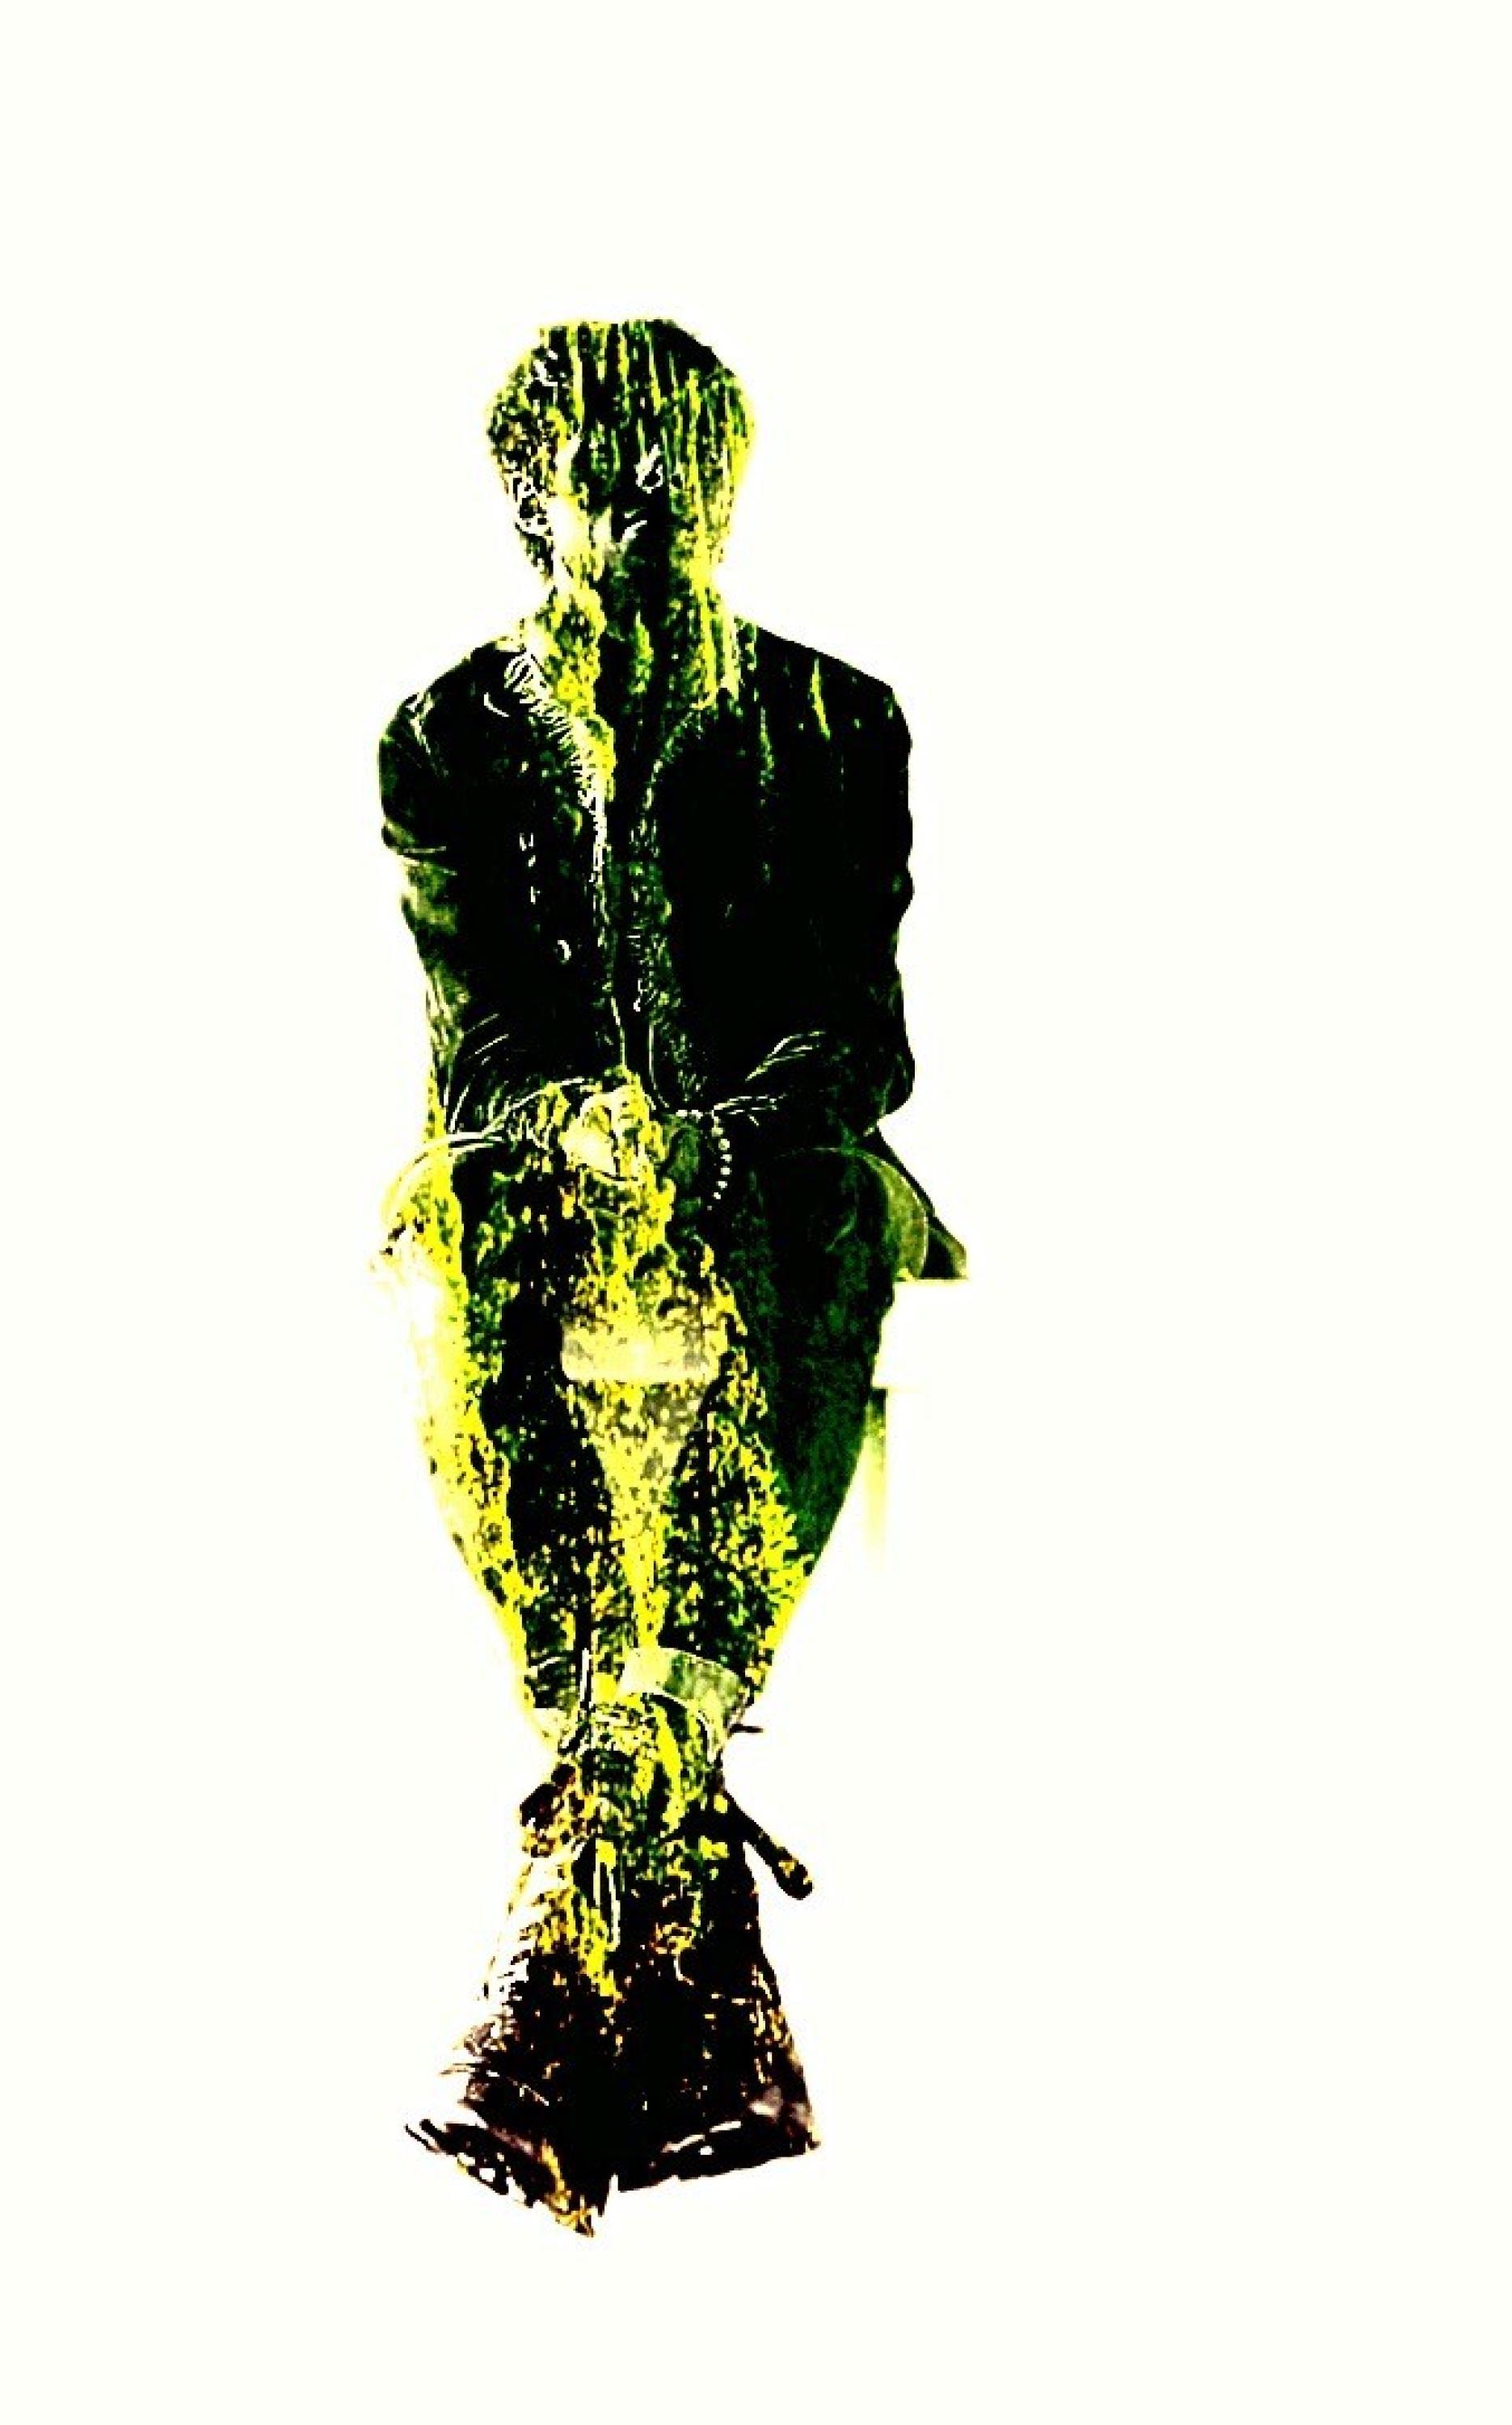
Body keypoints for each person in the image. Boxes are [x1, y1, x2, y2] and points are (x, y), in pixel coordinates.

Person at [379, 319, 962, 2231]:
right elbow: (478, 1024)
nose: (646, 526)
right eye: (602, 493)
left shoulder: (840, 718)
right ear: (526, 507)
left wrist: (716, 1132)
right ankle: (651, 1813)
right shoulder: (446, 736)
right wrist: (564, 1120)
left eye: (679, 487)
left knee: (829, 1208)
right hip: (549, 1175)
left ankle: (594, 1854)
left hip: (770, 1173)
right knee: (461, 1220)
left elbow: (860, 1033)